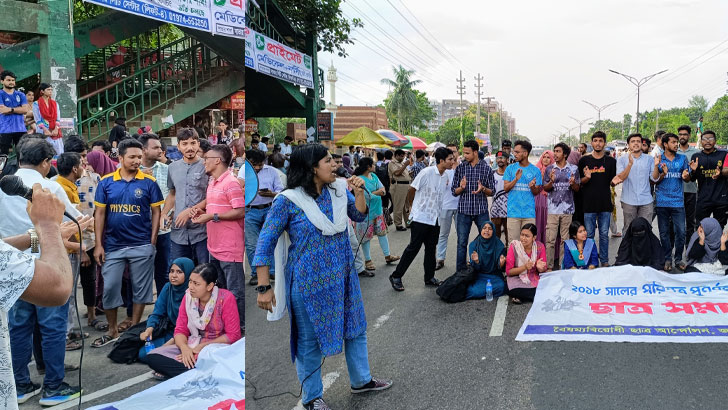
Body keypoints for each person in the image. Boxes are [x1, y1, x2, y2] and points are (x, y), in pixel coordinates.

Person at [253, 144, 392, 410]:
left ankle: (361, 380)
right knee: (309, 340)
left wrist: (359, 191)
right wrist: (263, 287)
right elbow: (265, 243)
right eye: (328, 161)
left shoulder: (339, 191)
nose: (335, 165)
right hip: (308, 284)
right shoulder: (288, 200)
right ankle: (312, 397)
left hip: (344, 277)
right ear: (312, 168)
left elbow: (358, 214)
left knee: (355, 329)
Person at [0, 138, 88, 406]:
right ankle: (53, 386)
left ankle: (21, 384)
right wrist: (55, 232)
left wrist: (38, 237)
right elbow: (76, 222)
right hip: (46, 265)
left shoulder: (3, 188)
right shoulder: (48, 188)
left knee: (17, 329)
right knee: (52, 328)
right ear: (46, 162)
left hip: (10, 268)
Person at [92, 139, 164, 348]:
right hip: (113, 246)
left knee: (140, 289)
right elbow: (100, 214)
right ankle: (112, 329)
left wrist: (152, 241)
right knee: (111, 287)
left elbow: (156, 212)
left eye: (139, 157)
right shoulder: (106, 182)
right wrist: (99, 244)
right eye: (132, 157)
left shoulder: (148, 183)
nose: (137, 161)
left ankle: (134, 327)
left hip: (141, 245)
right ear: (120, 158)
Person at [146, 264, 240, 379]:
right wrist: (185, 349)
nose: (191, 287)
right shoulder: (188, 297)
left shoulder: (225, 298)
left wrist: (202, 347)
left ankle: (192, 371)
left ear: (210, 286)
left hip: (217, 348)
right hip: (193, 344)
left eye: (196, 284)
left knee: (213, 361)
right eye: (190, 282)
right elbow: (180, 330)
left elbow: (233, 335)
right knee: (152, 357)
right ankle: (198, 372)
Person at [190, 144, 245, 331]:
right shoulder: (213, 182)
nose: (204, 161)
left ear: (217, 160)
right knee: (219, 289)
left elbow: (240, 210)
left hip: (230, 247)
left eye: (206, 158)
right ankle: (226, 324)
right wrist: (201, 210)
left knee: (235, 291)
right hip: (214, 246)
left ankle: (238, 328)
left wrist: (212, 217)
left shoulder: (231, 182)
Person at [389, 148, 455, 292]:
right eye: (450, 159)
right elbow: (412, 190)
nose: (452, 162)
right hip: (421, 217)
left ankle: (429, 277)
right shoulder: (427, 172)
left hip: (435, 218)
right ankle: (396, 276)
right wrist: (413, 206)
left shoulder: (445, 176)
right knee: (413, 248)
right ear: (442, 160)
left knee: (431, 248)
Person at [162, 128, 210, 265]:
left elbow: (213, 195)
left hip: (202, 231)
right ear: (178, 146)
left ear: (198, 144)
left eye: (193, 143)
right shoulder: (172, 168)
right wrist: (164, 214)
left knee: (204, 272)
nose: (189, 147)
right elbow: (172, 194)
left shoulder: (207, 166)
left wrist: (189, 212)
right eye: (184, 144)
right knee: (180, 272)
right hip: (178, 233)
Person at [138, 257, 193, 364]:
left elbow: (192, 326)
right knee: (143, 354)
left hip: (189, 335)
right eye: (171, 271)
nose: (174, 275)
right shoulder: (168, 288)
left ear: (188, 274)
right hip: (171, 330)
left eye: (179, 272)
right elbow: (157, 313)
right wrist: (149, 329)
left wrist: (171, 343)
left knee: (157, 355)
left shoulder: (193, 291)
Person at [451, 140, 495, 271]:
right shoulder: (460, 168)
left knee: (487, 239)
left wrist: (483, 189)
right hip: (464, 211)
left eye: (467, 153)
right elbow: (454, 191)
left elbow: (492, 191)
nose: (465, 156)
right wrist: (461, 188)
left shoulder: (486, 168)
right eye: (464, 153)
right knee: (462, 242)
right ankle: (461, 272)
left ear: (475, 152)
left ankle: (485, 267)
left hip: (481, 210)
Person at [352, 157, 400, 271]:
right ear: (368, 167)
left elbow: (383, 190)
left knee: (382, 233)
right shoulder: (359, 179)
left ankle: (388, 256)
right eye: (373, 164)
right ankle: (368, 260)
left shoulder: (374, 176)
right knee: (366, 237)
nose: (375, 166)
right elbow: (365, 195)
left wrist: (375, 193)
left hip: (378, 211)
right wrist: (377, 193)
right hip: (365, 213)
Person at [652, 132, 691, 271]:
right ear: (665, 144)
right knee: (664, 233)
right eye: (673, 142)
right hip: (662, 202)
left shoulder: (682, 158)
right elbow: (654, 180)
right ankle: (667, 258)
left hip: (678, 202)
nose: (676, 144)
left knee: (681, 232)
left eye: (676, 142)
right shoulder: (658, 159)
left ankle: (678, 258)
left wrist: (686, 176)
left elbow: (687, 178)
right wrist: (661, 171)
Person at [139, 133, 172, 294]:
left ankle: (162, 309)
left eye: (160, 147)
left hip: (163, 230)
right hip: (138, 230)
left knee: (164, 272)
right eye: (156, 147)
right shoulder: (129, 170)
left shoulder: (168, 170)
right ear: (144, 150)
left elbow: (173, 195)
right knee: (139, 274)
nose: (161, 150)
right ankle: (135, 314)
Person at [245, 149, 283, 286]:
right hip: (249, 211)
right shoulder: (241, 173)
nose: (258, 167)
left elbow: (280, 191)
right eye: (254, 164)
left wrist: (271, 194)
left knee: (269, 241)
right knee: (251, 244)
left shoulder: (272, 171)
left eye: (260, 164)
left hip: (268, 209)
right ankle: (256, 273)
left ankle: (271, 271)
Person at [579, 132, 617, 267]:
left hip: (605, 204)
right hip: (588, 204)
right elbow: (579, 182)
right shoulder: (584, 160)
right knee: (588, 236)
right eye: (595, 141)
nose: (598, 143)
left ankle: (605, 261)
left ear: (605, 143)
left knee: (604, 235)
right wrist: (587, 178)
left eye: (601, 141)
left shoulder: (611, 161)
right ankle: (590, 260)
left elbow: (613, 181)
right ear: (591, 143)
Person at [543, 143, 580, 270]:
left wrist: (573, 183)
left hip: (568, 209)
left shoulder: (574, 169)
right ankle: (549, 267)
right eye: (554, 151)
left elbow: (577, 189)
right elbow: (546, 188)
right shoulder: (549, 169)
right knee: (550, 240)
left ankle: (563, 265)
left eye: (558, 151)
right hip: (552, 210)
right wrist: (552, 181)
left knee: (565, 240)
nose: (555, 154)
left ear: (565, 154)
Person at [503, 140, 542, 244]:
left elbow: (536, 192)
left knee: (528, 244)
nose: (514, 154)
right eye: (514, 152)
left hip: (529, 214)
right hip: (513, 213)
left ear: (525, 153)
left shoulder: (535, 170)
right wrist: (515, 179)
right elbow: (506, 188)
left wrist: (532, 187)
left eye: (517, 152)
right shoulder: (510, 169)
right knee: (513, 244)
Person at [688, 130, 728, 228]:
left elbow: (727, 171)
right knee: (700, 227)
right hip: (703, 199)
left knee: (719, 228)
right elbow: (692, 179)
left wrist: (721, 173)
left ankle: (719, 244)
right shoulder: (696, 156)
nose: (708, 141)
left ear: (715, 141)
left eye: (710, 139)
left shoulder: (724, 154)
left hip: (721, 199)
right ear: (701, 141)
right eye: (704, 139)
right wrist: (692, 171)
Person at [615, 133, 654, 233]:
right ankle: (628, 249)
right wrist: (629, 164)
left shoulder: (649, 159)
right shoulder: (621, 159)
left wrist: (657, 167)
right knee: (628, 229)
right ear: (628, 145)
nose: (636, 143)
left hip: (646, 201)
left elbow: (654, 179)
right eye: (633, 141)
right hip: (629, 201)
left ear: (641, 144)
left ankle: (644, 249)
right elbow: (621, 178)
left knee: (646, 230)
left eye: (638, 141)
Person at [505, 223, 547, 304]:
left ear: (534, 238)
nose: (523, 238)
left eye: (527, 236)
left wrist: (540, 268)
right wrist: (524, 267)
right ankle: (538, 296)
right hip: (517, 278)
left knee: (546, 286)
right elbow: (509, 272)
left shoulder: (540, 247)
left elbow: (543, 270)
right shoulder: (514, 246)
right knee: (511, 289)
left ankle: (523, 297)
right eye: (522, 235)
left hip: (534, 277)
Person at [466, 221, 506, 300]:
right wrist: (477, 261)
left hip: (494, 276)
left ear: (493, 231)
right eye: (484, 228)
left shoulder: (499, 245)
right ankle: (484, 292)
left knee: (502, 286)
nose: (487, 231)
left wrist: (501, 263)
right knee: (473, 291)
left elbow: (501, 268)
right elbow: (473, 268)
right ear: (481, 230)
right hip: (479, 275)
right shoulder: (473, 245)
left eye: (490, 229)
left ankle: (483, 293)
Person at [435, 144, 460, 270]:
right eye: (450, 153)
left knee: (461, 235)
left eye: (455, 152)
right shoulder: (442, 169)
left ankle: (461, 260)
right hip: (445, 206)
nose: (453, 155)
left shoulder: (462, 168)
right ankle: (440, 258)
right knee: (443, 234)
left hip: (460, 206)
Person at [678, 125, 699, 250]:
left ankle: (689, 249)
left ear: (689, 136)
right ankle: (674, 251)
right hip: (676, 193)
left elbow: (698, 173)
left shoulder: (696, 153)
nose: (682, 136)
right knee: (674, 223)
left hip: (691, 191)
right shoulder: (674, 151)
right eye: (680, 134)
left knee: (690, 223)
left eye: (685, 134)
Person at [0, 71, 29, 155]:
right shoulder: (0, 94)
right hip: (4, 129)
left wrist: (11, 109)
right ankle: (2, 169)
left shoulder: (21, 94)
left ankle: (20, 168)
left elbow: (25, 110)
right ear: (2, 81)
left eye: (13, 80)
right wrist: (19, 109)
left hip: (20, 129)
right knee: (3, 155)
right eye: (8, 80)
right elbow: (2, 110)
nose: (11, 82)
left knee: (22, 155)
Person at [32, 83, 63, 155]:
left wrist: (56, 129)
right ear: (42, 91)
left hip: (55, 130)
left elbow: (58, 118)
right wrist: (45, 130)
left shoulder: (55, 103)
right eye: (48, 90)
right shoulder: (36, 104)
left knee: (58, 152)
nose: (50, 91)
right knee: (44, 153)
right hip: (43, 131)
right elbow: (38, 120)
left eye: (51, 90)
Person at [388, 149, 412, 231]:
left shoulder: (402, 163)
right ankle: (398, 224)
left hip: (406, 185)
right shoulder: (392, 163)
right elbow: (397, 173)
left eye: (403, 156)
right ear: (396, 155)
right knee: (398, 206)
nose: (403, 157)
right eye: (401, 156)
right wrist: (405, 165)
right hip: (398, 186)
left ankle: (408, 223)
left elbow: (405, 173)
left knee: (406, 206)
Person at [534, 150, 553, 245]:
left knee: (548, 226)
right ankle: (537, 249)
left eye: (548, 157)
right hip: (537, 201)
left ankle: (549, 251)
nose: (545, 159)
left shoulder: (554, 170)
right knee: (538, 225)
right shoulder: (536, 170)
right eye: (544, 157)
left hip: (549, 201)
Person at [490, 151, 509, 243]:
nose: (500, 160)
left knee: (509, 237)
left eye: (502, 158)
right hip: (496, 211)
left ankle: (508, 256)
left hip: (509, 211)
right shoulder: (492, 174)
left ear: (507, 160)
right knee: (495, 237)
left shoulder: (512, 174)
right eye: (498, 158)